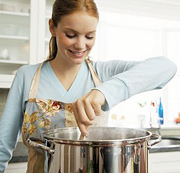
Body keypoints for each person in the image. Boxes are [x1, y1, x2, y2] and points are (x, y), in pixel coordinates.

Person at [0, 0, 177, 172]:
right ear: (52, 27)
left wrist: (103, 92)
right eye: (71, 35)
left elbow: (166, 67)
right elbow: (3, 145)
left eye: (89, 36)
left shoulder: (103, 73)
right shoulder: (26, 76)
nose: (81, 45)